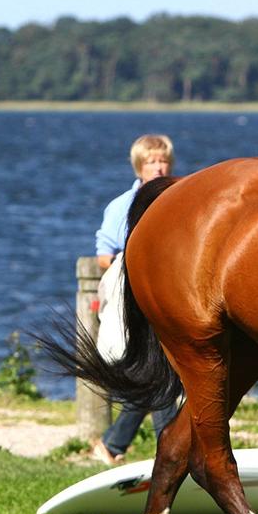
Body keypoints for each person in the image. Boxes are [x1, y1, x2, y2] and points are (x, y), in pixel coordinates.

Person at [90, 134, 177, 466]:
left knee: (159, 375)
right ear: (139, 166)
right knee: (160, 373)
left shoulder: (180, 198)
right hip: (137, 297)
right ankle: (164, 450)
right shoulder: (123, 205)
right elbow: (103, 254)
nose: (158, 167)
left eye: (163, 161)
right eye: (151, 161)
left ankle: (117, 445)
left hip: (170, 294)